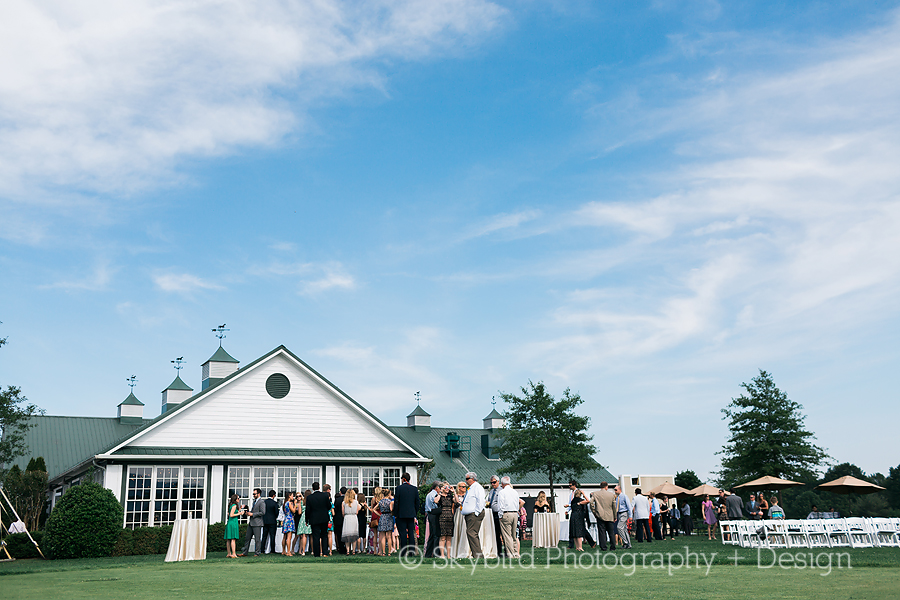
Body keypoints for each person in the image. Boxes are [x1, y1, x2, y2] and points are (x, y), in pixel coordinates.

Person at [460, 471, 487, 559]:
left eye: (467, 479)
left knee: (471, 533)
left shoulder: (477, 487)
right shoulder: (471, 488)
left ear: (472, 479)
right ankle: (476, 554)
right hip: (469, 514)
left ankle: (478, 555)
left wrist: (476, 512)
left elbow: (481, 501)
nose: (466, 480)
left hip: (474, 514)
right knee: (471, 533)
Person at [393, 473, 420, 557]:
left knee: (403, 533)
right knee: (411, 533)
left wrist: (395, 513)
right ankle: (411, 552)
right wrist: (415, 512)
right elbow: (417, 502)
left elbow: (396, 502)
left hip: (401, 514)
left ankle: (403, 552)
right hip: (411, 514)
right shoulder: (414, 489)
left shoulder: (399, 489)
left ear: (403, 479)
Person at [305, 482, 332, 557]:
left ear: (312, 488)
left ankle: (317, 554)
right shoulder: (325, 496)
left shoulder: (310, 497)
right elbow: (329, 506)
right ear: (319, 487)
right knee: (324, 535)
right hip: (324, 518)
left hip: (314, 519)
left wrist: (306, 519)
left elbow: (308, 510)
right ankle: (325, 553)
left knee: (315, 536)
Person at [589, 481, 617, 551]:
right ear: (606, 487)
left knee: (602, 532)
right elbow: (614, 507)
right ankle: (613, 546)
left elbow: (591, 503)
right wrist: (615, 516)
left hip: (600, 515)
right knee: (611, 532)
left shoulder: (595, 494)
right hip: (610, 515)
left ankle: (603, 547)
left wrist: (594, 512)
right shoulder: (611, 495)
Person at [497, 476, 521, 558]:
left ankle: (510, 554)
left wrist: (500, 515)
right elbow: (517, 504)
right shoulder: (515, 492)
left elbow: (501, 505)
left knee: (507, 536)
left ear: (502, 483)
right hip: (515, 513)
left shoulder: (502, 492)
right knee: (514, 535)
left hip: (506, 513)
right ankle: (516, 553)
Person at [239, 488, 266, 556]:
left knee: (257, 539)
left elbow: (263, 512)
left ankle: (257, 553)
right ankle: (245, 552)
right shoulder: (254, 501)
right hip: (251, 522)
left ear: (258, 494)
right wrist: (248, 513)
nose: (253, 495)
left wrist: (253, 514)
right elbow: (253, 511)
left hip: (257, 523)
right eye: (253, 494)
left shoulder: (261, 502)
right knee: (247, 538)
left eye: (254, 494)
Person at [487, 475, 506, 556]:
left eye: (494, 482)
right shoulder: (491, 491)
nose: (493, 484)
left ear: (498, 482)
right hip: (492, 514)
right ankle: (498, 552)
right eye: (491, 483)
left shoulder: (502, 491)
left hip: (500, 513)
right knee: (496, 534)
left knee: (503, 533)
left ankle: (506, 551)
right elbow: (489, 500)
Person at [423, 481, 442, 558]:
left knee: (431, 535)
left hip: (429, 514)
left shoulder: (429, 494)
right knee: (436, 535)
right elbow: (435, 503)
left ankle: (428, 554)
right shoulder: (434, 494)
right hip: (434, 514)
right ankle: (436, 554)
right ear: (437, 488)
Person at [439, 481, 456, 558]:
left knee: (449, 537)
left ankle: (448, 555)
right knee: (443, 537)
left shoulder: (450, 496)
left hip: (450, 517)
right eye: (445, 487)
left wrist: (454, 491)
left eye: (448, 487)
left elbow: (457, 501)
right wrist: (440, 492)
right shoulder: (440, 496)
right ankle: (442, 555)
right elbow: (435, 501)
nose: (447, 489)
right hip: (442, 517)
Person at [341, 489, 360, 554]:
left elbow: (343, 513)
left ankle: (348, 550)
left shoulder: (344, 502)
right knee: (354, 535)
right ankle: (354, 550)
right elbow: (357, 512)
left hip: (347, 517)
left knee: (347, 535)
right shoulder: (356, 502)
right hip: (354, 517)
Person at [261, 490, 280, 554]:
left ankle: (262, 550)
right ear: (274, 495)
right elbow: (276, 513)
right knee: (272, 536)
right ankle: (272, 550)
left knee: (264, 536)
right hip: (272, 521)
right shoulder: (274, 503)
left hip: (265, 521)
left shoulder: (264, 502)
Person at [377, 487, 394, 556]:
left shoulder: (380, 501)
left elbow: (374, 509)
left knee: (383, 536)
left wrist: (379, 514)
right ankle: (389, 552)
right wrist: (392, 513)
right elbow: (391, 509)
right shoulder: (390, 502)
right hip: (388, 517)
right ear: (389, 494)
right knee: (389, 536)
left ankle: (383, 552)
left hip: (382, 517)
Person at [224, 494, 241, 558]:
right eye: (238, 498)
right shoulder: (234, 505)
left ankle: (229, 553)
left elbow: (232, 512)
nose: (239, 499)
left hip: (230, 522)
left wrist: (239, 510)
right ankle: (234, 554)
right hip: (233, 523)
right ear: (235, 499)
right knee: (233, 539)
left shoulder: (231, 505)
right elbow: (231, 515)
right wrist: (239, 513)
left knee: (229, 539)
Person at [295, 490, 311, 555]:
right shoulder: (310, 502)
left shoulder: (302, 502)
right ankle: (312, 551)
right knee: (311, 535)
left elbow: (299, 512)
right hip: (310, 517)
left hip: (303, 518)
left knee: (304, 535)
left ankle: (303, 551)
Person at [281, 491, 295, 556]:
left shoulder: (285, 503)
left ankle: (283, 551)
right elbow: (294, 511)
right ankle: (288, 552)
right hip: (290, 520)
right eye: (292, 495)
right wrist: (296, 505)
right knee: (289, 537)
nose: (293, 497)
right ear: (289, 496)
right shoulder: (289, 503)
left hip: (285, 519)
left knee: (285, 536)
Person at [334, 487, 346, 555]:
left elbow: (335, 510)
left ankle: (341, 549)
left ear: (340, 492)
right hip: (345, 518)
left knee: (339, 534)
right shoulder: (347, 500)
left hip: (338, 519)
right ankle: (347, 548)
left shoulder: (337, 500)